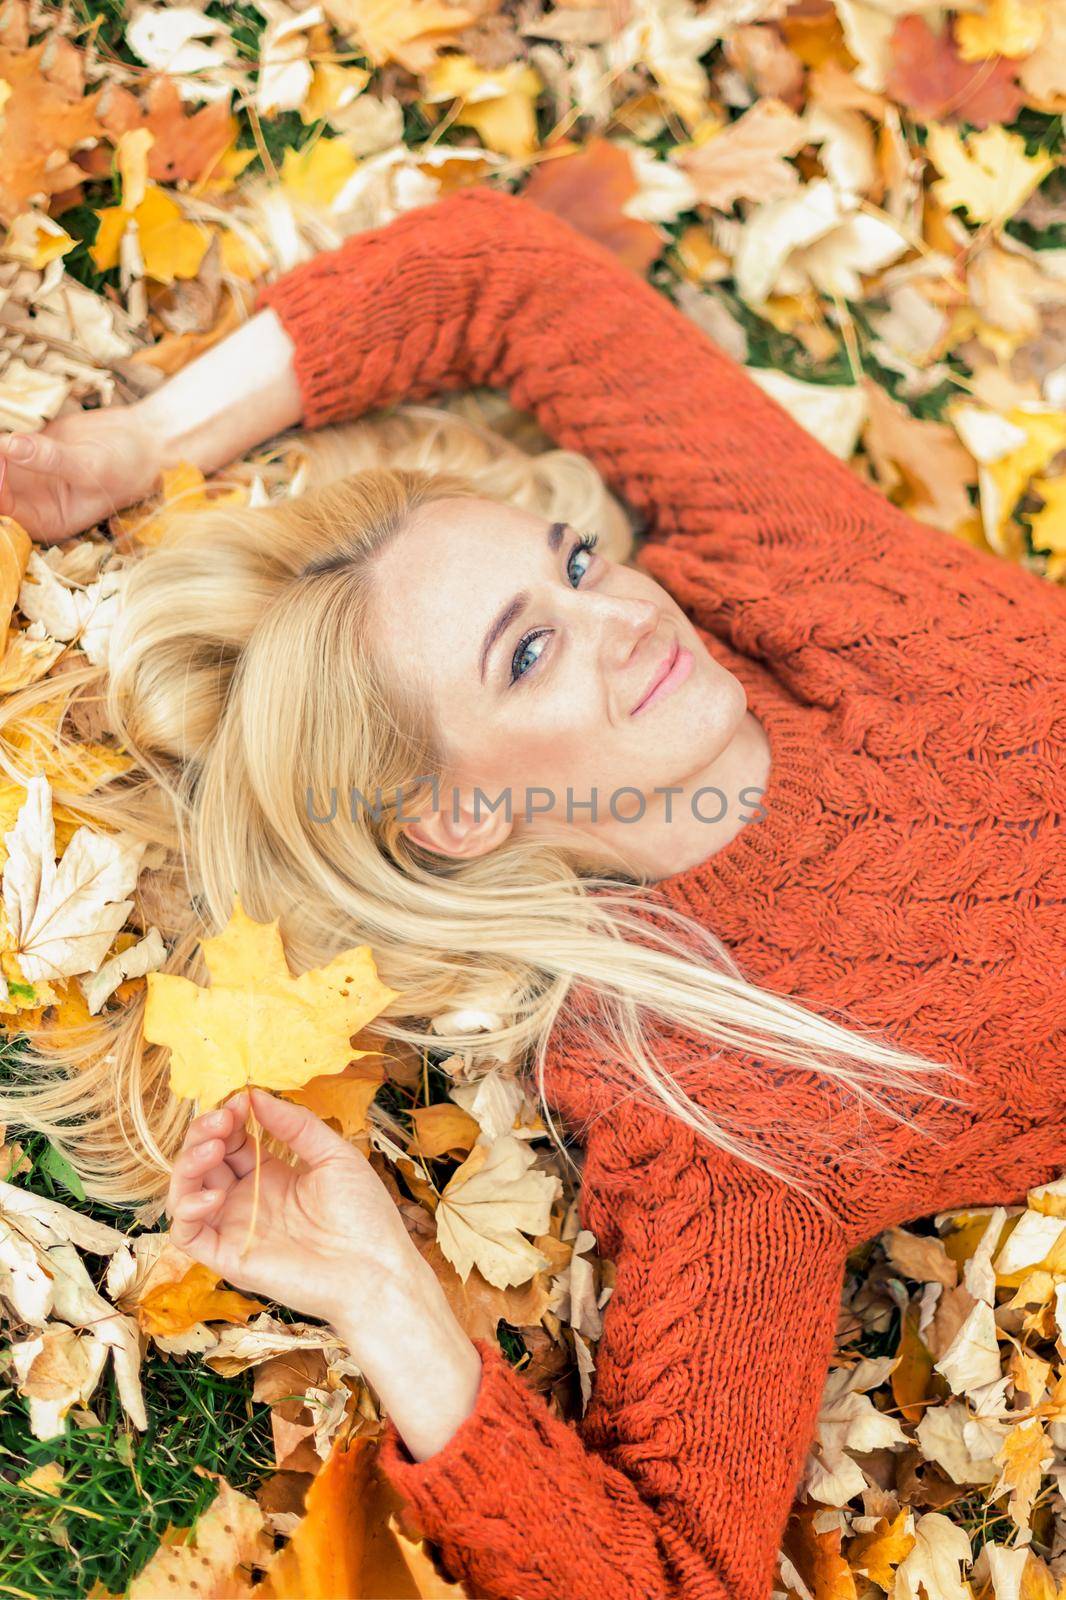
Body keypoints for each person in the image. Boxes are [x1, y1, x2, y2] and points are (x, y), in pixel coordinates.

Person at [1, 185, 1064, 1599]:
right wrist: (387, 1299)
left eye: (570, 568)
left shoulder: (773, 569)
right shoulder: (709, 1099)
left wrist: (132, 446)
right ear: (458, 808)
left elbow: (502, 272)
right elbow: (672, 1577)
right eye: (524, 656)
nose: (621, 617)